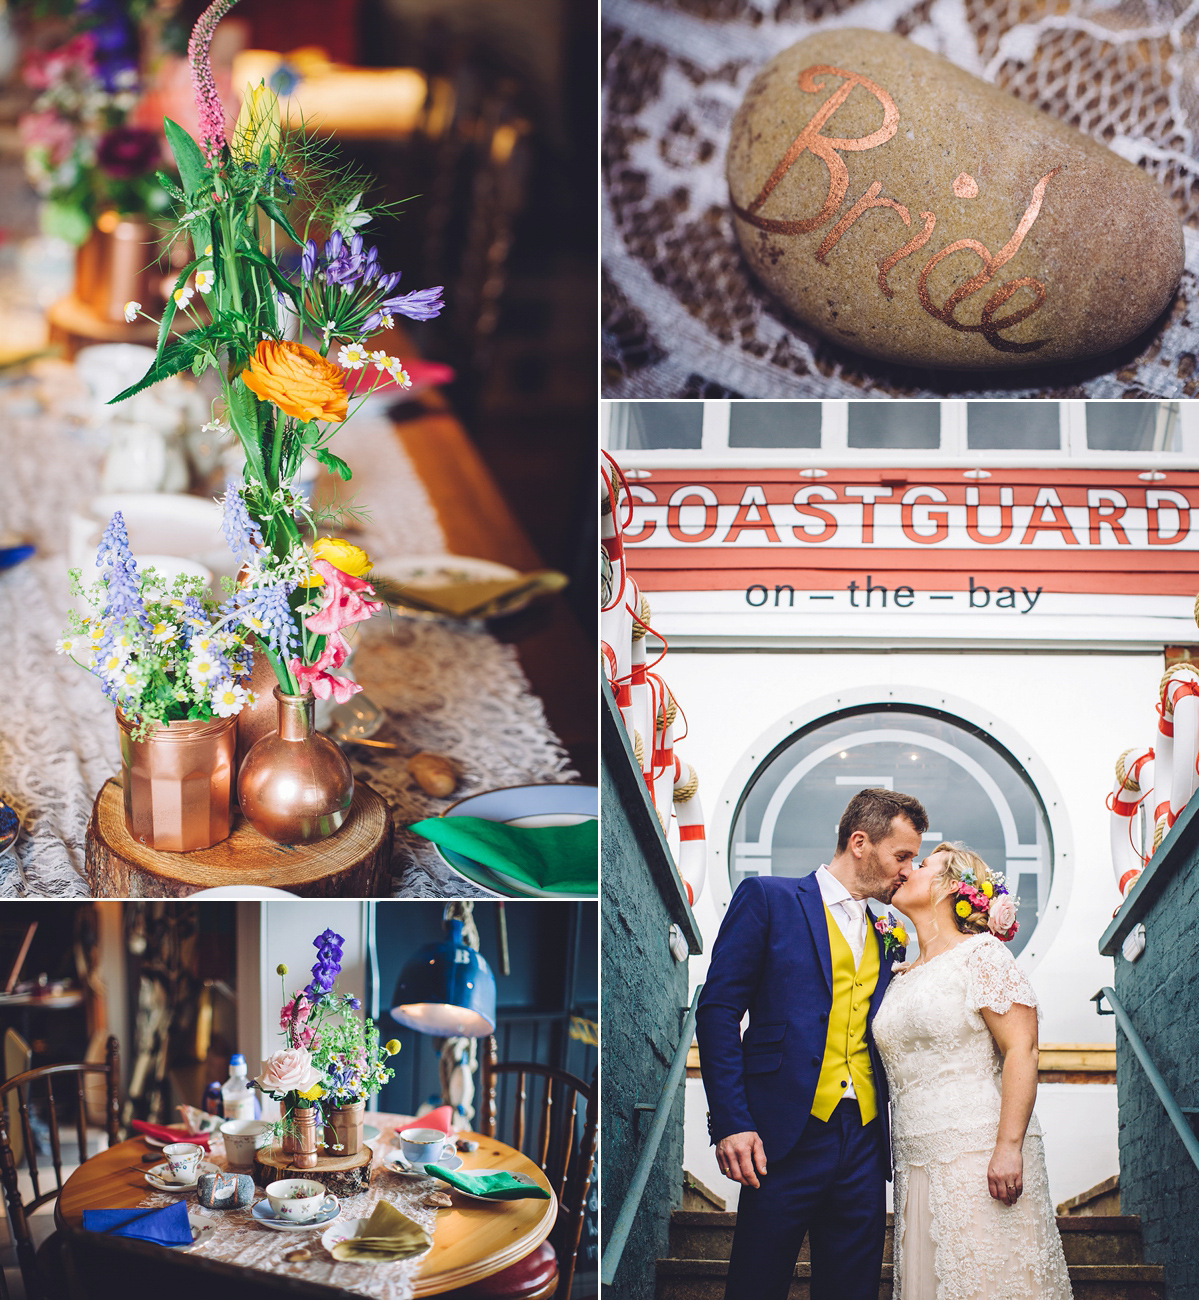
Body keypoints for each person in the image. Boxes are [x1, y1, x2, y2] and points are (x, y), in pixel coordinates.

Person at [696, 787, 928, 1300]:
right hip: (780, 1133)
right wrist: (732, 1121)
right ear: (860, 842)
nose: (908, 870)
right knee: (757, 1284)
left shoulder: (890, 931)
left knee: (853, 1288)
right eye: (902, 855)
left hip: (866, 1138)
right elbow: (718, 1011)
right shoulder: (768, 898)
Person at [873, 842, 1073, 1300]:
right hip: (915, 1156)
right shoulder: (901, 974)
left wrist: (1008, 1148)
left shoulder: (982, 955)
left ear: (949, 887)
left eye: (921, 865)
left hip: (979, 1152)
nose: (906, 871)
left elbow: (1022, 1048)